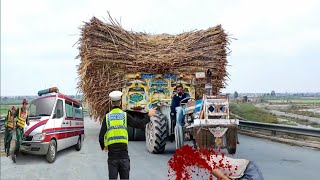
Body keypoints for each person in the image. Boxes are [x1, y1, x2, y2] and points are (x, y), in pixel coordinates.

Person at [99, 90, 156, 180]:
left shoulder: (107, 117)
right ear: (120, 102)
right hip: (124, 155)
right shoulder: (125, 116)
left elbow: (101, 137)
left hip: (112, 156)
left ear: (111, 102)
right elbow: (139, 124)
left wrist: (104, 147)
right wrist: (148, 115)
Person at [12, 98, 30, 163]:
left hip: (22, 129)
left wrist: (28, 122)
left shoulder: (26, 112)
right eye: (24, 104)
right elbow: (13, 117)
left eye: (26, 104)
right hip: (18, 128)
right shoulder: (18, 110)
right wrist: (14, 124)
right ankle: (14, 154)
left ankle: (18, 153)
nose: (25, 106)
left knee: (21, 142)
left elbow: (27, 120)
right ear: (23, 104)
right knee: (19, 141)